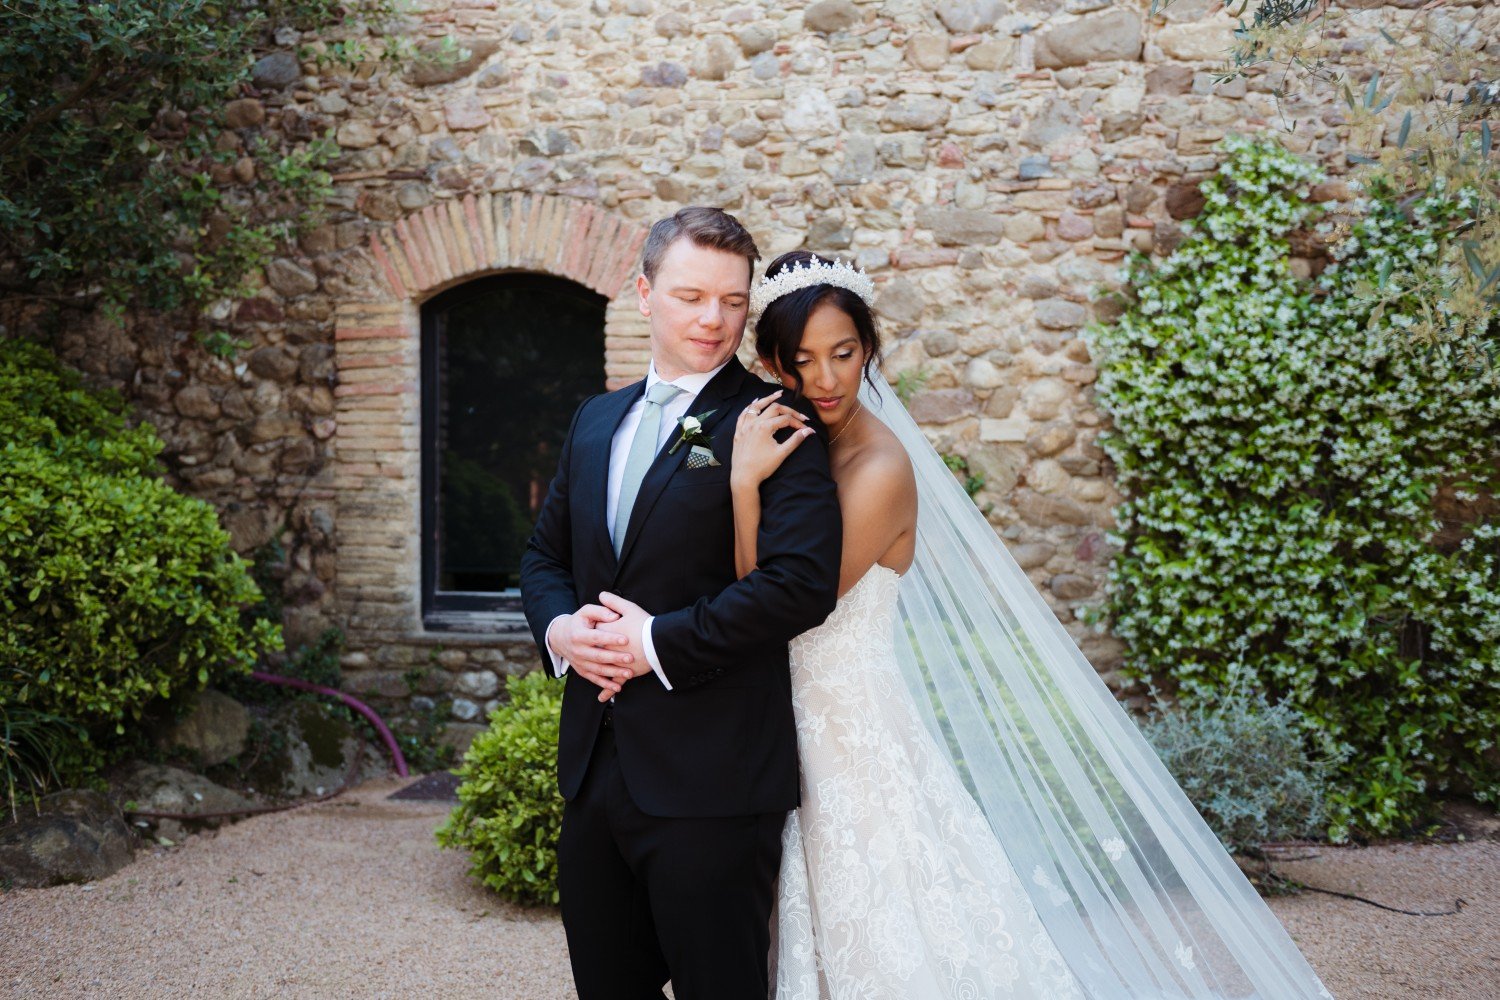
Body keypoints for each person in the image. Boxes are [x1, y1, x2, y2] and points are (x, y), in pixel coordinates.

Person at [732, 251, 1337, 999]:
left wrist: (739, 484)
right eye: (803, 361)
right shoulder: (808, 449)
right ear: (773, 364)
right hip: (791, 732)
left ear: (871, 350)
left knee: (883, 932)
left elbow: (779, 600)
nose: (825, 379)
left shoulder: (878, 467)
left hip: (851, 742)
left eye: (844, 354)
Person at [518, 209, 842, 1000]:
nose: (713, 319)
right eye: (692, 296)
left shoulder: (774, 421)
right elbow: (543, 558)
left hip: (716, 780)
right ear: (642, 293)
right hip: (594, 773)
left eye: (733, 302)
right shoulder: (595, 421)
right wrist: (564, 630)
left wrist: (652, 643)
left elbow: (799, 583)